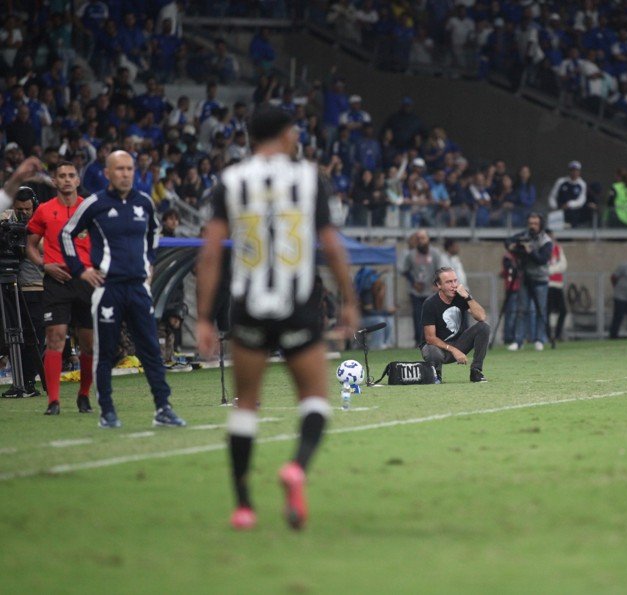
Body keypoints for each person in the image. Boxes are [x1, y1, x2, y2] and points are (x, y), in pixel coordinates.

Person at [195, 107, 358, 531]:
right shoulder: (309, 178)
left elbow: (210, 253)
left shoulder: (231, 180)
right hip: (297, 305)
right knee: (315, 398)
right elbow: (331, 245)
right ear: (287, 135)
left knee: (246, 404)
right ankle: (296, 467)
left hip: (248, 307)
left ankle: (244, 506)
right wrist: (348, 299)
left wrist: (203, 318)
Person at [60, 151, 186, 429]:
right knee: (105, 351)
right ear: (107, 173)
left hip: (138, 288)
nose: (126, 173)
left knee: (150, 349)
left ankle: (163, 408)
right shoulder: (94, 203)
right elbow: (66, 233)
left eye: (129, 168)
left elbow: (154, 232)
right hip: (108, 288)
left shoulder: (144, 202)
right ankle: (107, 411)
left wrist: (149, 262)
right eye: (119, 169)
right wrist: (81, 270)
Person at [25, 162, 95, 414]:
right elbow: (30, 245)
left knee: (89, 344)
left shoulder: (90, 209)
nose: (66, 179)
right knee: (55, 338)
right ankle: (53, 401)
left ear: (77, 180)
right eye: (61, 176)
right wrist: (44, 265)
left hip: (86, 281)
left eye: (71, 175)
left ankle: (84, 395)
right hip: (56, 281)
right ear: (54, 181)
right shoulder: (44, 210)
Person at [0, 188, 43, 398]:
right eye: (19, 210)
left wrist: (27, 236)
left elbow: (45, 248)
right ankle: (20, 381)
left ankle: (28, 382)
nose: (24, 213)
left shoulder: (42, 223)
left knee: (33, 338)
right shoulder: (7, 221)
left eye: (28, 209)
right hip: (12, 285)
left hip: (36, 286)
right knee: (14, 335)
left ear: (35, 206)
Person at [420, 266, 489, 383]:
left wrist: (468, 297)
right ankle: (436, 374)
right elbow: (430, 338)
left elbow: (481, 317)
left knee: (483, 327)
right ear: (439, 285)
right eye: (448, 282)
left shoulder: (461, 297)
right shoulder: (430, 303)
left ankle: (476, 371)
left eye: (455, 281)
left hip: (457, 343)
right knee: (430, 348)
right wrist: (453, 350)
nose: (454, 285)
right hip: (438, 348)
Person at [506, 212, 553, 351]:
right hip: (525, 277)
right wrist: (512, 246)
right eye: (530, 223)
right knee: (521, 309)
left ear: (541, 225)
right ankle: (518, 341)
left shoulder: (546, 241)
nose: (532, 226)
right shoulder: (523, 236)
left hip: (540, 279)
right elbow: (508, 241)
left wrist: (530, 251)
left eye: (535, 224)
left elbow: (542, 259)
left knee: (540, 310)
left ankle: (539, 339)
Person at [399, 229, 442, 346]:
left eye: (423, 238)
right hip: (416, 292)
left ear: (428, 239)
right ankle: (419, 340)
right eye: (418, 239)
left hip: (431, 292)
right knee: (418, 316)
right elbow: (405, 270)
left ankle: (433, 339)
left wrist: (436, 284)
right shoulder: (411, 255)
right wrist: (414, 283)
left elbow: (440, 270)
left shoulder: (435, 253)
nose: (420, 241)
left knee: (432, 317)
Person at [354, 265, 394, 350]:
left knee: (389, 320)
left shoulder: (376, 292)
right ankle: (376, 344)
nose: (380, 282)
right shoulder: (366, 293)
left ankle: (385, 342)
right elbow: (369, 312)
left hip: (370, 318)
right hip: (362, 319)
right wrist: (386, 312)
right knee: (379, 320)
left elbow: (378, 309)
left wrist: (380, 296)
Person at [547, 161, 588, 228]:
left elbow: (581, 200)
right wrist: (554, 206)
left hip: (573, 213)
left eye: (576, 170)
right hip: (558, 211)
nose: (574, 173)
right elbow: (552, 196)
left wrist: (569, 204)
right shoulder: (561, 181)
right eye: (572, 170)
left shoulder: (582, 184)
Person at [546, 229, 568, 342]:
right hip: (547, 284)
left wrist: (551, 270)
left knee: (563, 311)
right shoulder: (543, 249)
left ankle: (558, 334)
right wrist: (553, 269)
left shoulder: (558, 248)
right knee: (547, 311)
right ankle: (548, 335)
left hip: (558, 284)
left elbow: (563, 265)